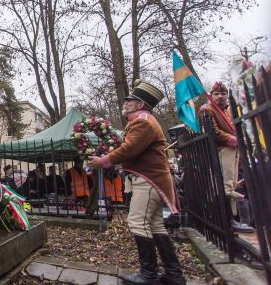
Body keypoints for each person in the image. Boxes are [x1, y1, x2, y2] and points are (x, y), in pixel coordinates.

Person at [88, 79, 185, 285]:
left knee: (137, 222)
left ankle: (148, 275)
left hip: (148, 180)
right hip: (152, 178)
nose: (126, 102)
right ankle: (174, 275)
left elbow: (129, 149)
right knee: (155, 225)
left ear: (140, 104)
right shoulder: (143, 120)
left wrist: (103, 161)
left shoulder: (142, 121)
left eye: (130, 100)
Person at [198, 81, 253, 233]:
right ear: (211, 95)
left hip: (233, 150)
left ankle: (232, 219)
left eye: (223, 94)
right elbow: (213, 132)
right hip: (222, 149)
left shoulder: (228, 110)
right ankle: (226, 220)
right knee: (225, 185)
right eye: (217, 94)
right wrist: (234, 140)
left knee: (231, 185)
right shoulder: (207, 109)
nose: (221, 96)